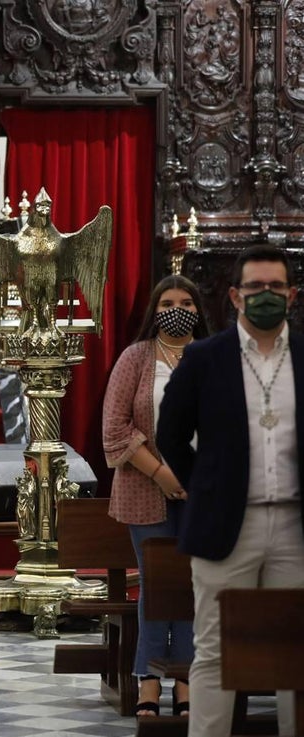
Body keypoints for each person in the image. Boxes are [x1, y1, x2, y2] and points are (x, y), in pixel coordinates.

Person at [157, 245, 304, 737]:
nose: (267, 296)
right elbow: (170, 436)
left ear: (293, 295)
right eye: (257, 288)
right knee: (215, 648)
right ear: (236, 297)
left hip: (295, 528)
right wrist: (206, 486)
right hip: (225, 524)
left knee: (296, 649)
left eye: (276, 288)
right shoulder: (203, 358)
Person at [102, 274, 210, 718]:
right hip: (145, 488)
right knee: (156, 582)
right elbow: (114, 429)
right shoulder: (136, 357)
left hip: (204, 490)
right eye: (168, 301)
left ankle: (185, 679)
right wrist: (163, 473)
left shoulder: (213, 357)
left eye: (186, 301)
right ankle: (148, 678)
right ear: (155, 308)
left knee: (191, 584)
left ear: (198, 311)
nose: (177, 307)